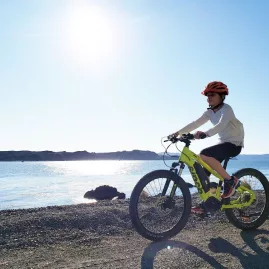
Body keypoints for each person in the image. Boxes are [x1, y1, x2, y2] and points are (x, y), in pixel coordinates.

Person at [168, 81, 244, 213]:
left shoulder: (227, 109)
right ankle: (206, 203)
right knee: (203, 171)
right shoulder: (210, 112)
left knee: (204, 153)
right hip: (223, 143)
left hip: (234, 144)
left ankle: (231, 181)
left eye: (212, 95)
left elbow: (220, 125)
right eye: (207, 95)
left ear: (221, 96)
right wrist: (178, 133)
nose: (209, 98)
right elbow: (196, 123)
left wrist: (205, 134)